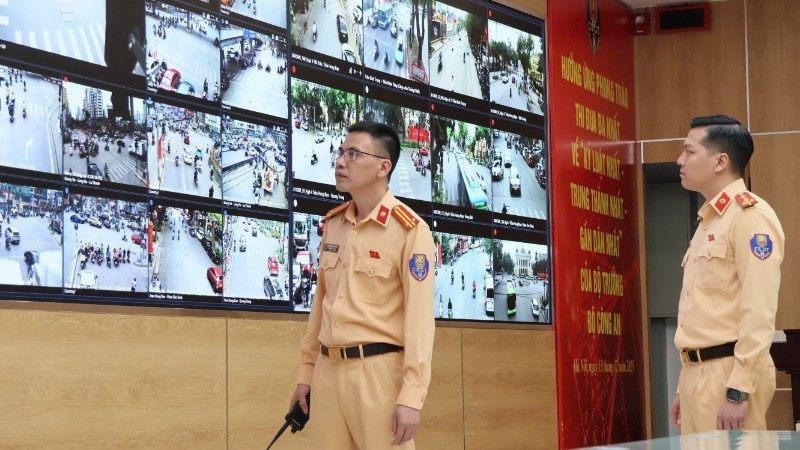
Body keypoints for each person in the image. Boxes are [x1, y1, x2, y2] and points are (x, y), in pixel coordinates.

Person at [289, 122, 434, 449]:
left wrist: (412, 395)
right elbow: (319, 308)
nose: (340, 161)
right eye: (341, 152)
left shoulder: (410, 231)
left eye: (353, 154)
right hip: (327, 372)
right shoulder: (333, 224)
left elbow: (420, 322)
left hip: (377, 375)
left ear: (384, 167)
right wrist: (306, 374)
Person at [669, 115, 784, 434]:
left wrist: (738, 390)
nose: (680, 160)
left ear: (720, 161)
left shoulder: (751, 217)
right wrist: (682, 386)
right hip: (697, 373)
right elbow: (700, 314)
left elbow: (759, 310)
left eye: (689, 151)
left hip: (729, 373)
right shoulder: (709, 220)